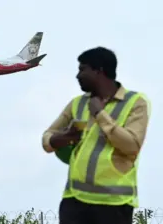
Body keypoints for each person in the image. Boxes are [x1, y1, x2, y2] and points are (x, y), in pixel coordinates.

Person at [41, 47, 151, 224]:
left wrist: (100, 115)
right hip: (74, 201)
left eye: (82, 69)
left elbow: (131, 146)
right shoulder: (77, 103)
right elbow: (47, 138)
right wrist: (61, 138)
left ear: (99, 70)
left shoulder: (136, 103)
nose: (78, 75)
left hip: (114, 204)